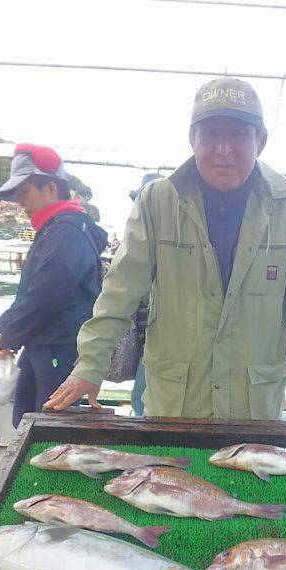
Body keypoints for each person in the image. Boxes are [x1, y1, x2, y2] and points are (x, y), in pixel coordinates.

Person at [46, 77, 286, 423]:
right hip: (174, 402)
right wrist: (90, 364)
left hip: (254, 405)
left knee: (250, 477)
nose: (223, 149)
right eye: (210, 135)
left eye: (239, 134)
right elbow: (120, 290)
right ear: (192, 139)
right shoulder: (156, 202)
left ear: (261, 141)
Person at [0, 143, 107, 427]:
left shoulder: (66, 232)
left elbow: (46, 295)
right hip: (41, 345)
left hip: (60, 349)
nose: (20, 201)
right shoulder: (55, 229)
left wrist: (8, 335)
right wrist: (3, 327)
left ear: (51, 189)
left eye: (25, 192)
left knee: (50, 429)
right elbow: (29, 290)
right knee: (26, 422)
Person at [129, 172, 164, 416]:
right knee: (140, 396)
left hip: (158, 340)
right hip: (146, 338)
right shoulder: (138, 239)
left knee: (142, 397)